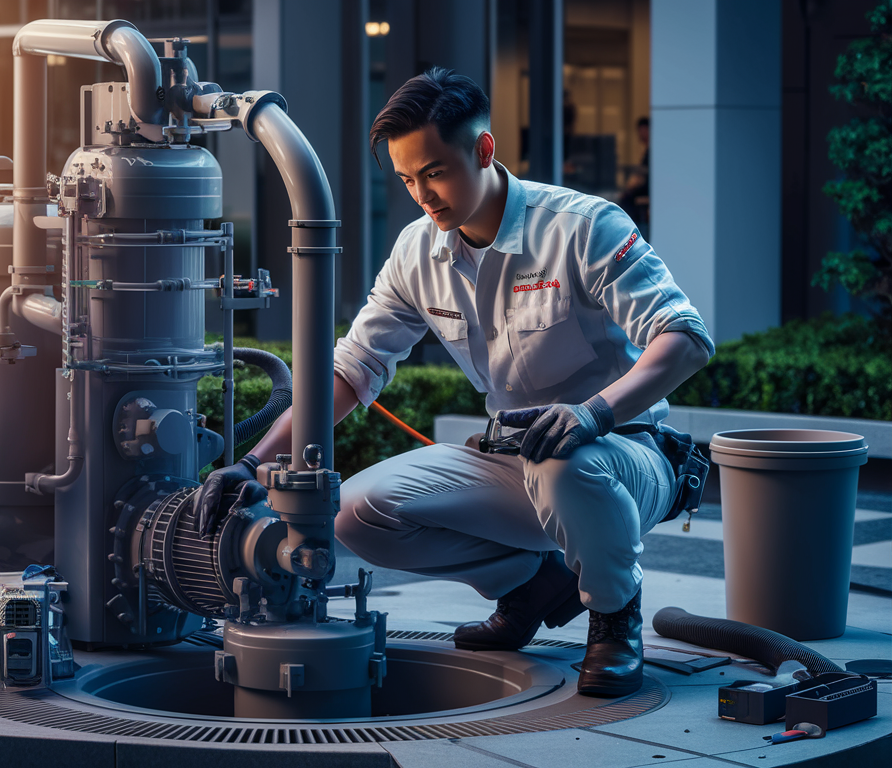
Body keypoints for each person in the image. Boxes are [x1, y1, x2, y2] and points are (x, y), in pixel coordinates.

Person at [194, 69, 713, 698]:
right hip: (515, 459)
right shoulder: (418, 252)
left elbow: (686, 338)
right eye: (408, 179)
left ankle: (614, 618)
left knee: (565, 462)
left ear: (484, 150)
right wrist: (252, 463)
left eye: (435, 172)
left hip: (627, 454)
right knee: (356, 513)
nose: (422, 195)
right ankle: (528, 587)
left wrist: (593, 414)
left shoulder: (582, 227)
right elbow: (351, 369)